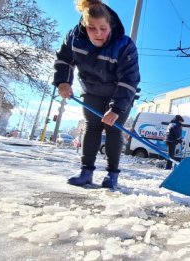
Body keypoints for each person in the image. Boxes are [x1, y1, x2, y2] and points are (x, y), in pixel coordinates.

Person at [53, 0, 140, 189]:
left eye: (103, 28)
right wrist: (63, 82)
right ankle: (86, 172)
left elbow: (129, 79)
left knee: (113, 129)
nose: (98, 33)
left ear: (110, 25)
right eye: (92, 28)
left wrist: (116, 109)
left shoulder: (124, 45)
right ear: (85, 25)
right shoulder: (74, 38)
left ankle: (112, 175)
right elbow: (64, 60)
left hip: (119, 93)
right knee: (92, 127)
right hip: (91, 90)